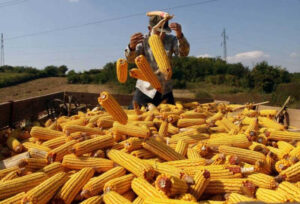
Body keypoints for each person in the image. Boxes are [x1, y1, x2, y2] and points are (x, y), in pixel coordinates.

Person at [125, 14, 190, 107]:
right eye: (158, 31)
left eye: (163, 32)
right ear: (149, 28)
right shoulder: (142, 40)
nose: (160, 35)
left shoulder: (172, 39)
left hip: (165, 90)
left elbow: (183, 53)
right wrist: (131, 47)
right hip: (145, 90)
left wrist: (180, 36)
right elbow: (131, 60)